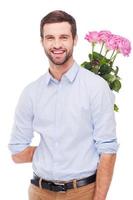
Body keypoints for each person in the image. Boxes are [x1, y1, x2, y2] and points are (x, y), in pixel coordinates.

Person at [8, 10, 118, 200]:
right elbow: (17, 152)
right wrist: (49, 151)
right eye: (50, 37)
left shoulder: (96, 87)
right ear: (42, 41)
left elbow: (108, 149)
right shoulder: (31, 92)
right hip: (38, 192)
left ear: (74, 39)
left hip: (83, 192)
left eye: (64, 37)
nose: (57, 44)